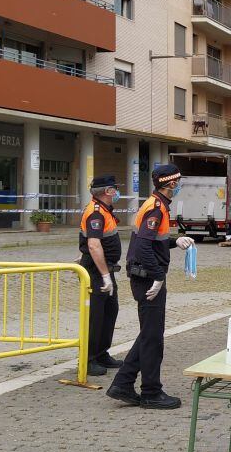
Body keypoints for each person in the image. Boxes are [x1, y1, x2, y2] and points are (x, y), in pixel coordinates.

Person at [107, 164, 194, 410]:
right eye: (178, 181)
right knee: (153, 338)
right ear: (171, 184)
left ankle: (123, 384)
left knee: (149, 333)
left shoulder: (157, 205)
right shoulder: (156, 209)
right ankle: (151, 392)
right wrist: (157, 277)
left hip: (145, 275)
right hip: (147, 278)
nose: (179, 185)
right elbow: (143, 247)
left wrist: (176, 241)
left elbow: (153, 242)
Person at [79, 175, 123, 377]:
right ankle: (88, 359)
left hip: (105, 269)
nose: (117, 192)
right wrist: (105, 275)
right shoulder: (96, 213)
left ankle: (101, 352)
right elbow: (93, 244)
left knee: (109, 311)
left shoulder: (104, 211)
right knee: (95, 316)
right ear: (108, 191)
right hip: (97, 272)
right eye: (115, 189)